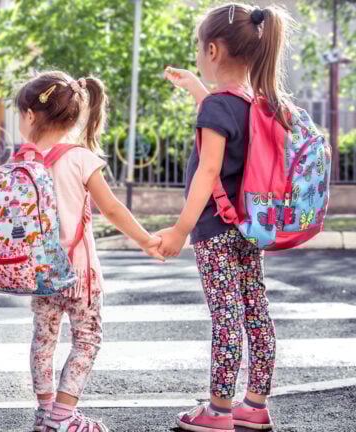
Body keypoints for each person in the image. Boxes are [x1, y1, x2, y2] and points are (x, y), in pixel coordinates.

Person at [158, 3, 294, 431]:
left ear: (213, 50)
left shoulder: (218, 108)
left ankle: (218, 410)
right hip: (251, 227)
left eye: (200, 48)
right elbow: (229, 129)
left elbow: (210, 169)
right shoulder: (257, 103)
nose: (199, 55)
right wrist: (200, 91)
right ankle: (255, 405)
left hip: (216, 230)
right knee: (255, 311)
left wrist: (181, 228)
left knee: (226, 317)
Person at [15, 71, 165, 432]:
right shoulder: (81, 158)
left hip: (41, 273)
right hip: (80, 273)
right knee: (87, 338)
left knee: (44, 339)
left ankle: (45, 413)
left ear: (31, 116)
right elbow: (112, 209)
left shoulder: (23, 160)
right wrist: (146, 239)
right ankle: (65, 416)